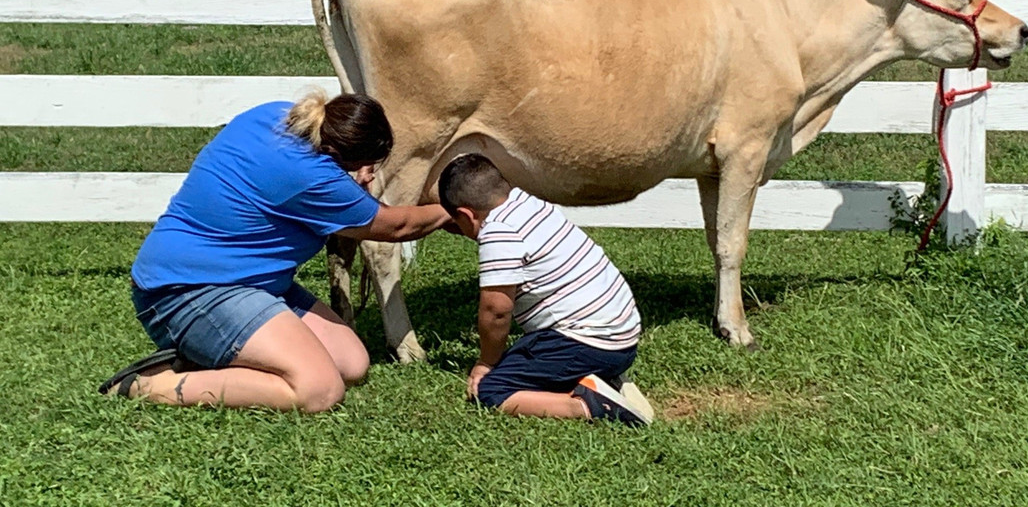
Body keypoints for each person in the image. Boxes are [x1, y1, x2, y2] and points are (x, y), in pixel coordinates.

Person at [99, 90, 453, 412]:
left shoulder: (275, 115)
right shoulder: (313, 179)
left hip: (250, 282)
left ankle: (204, 357)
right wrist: (458, 209)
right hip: (186, 292)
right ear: (342, 157)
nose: (370, 176)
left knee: (350, 362)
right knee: (320, 390)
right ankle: (150, 385)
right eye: (367, 166)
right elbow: (396, 226)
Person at [438, 153, 653, 426]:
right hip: (622, 339)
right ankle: (599, 376)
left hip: (590, 342)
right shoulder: (528, 204)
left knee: (493, 390)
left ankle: (590, 405)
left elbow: (496, 311)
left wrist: (486, 363)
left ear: (466, 215)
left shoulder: (499, 232)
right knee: (528, 354)